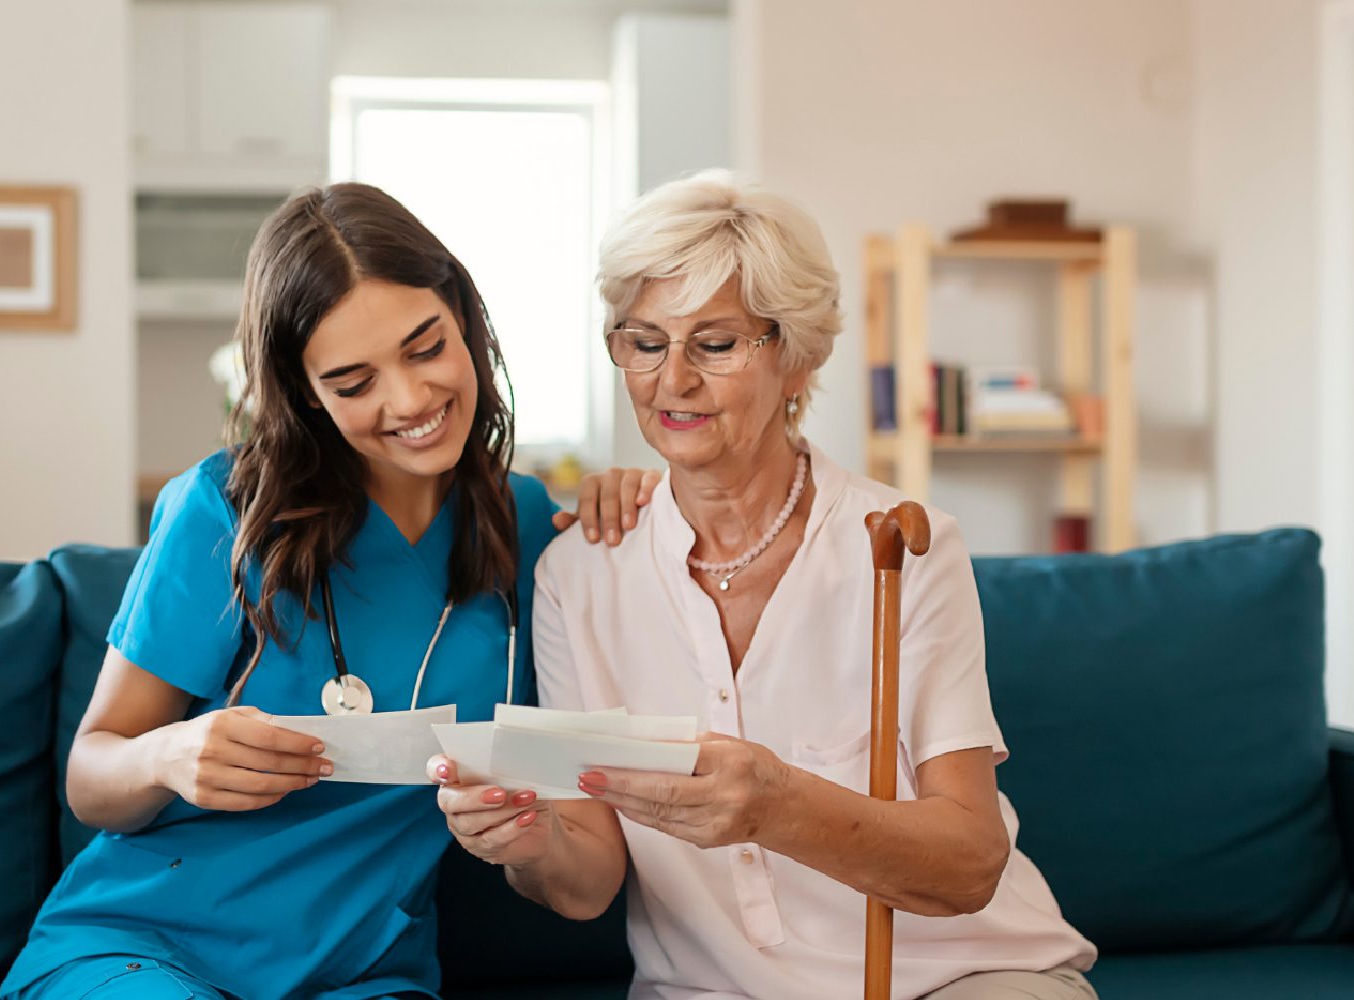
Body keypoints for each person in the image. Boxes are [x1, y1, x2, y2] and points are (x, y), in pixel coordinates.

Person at [433, 171, 1099, 1000]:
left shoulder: (902, 544)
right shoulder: (581, 573)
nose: (671, 380)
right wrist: (527, 841)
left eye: (714, 344)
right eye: (644, 341)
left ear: (798, 357)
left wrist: (776, 803)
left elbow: (968, 866)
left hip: (959, 976)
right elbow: (589, 881)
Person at [0, 182, 654, 1000]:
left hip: (363, 975)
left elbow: (586, 886)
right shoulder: (225, 511)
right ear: (306, 391)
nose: (409, 401)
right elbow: (92, 777)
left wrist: (530, 833)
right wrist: (168, 756)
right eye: (353, 383)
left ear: (464, 320)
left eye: (426, 348)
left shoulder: (536, 536)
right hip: (148, 950)